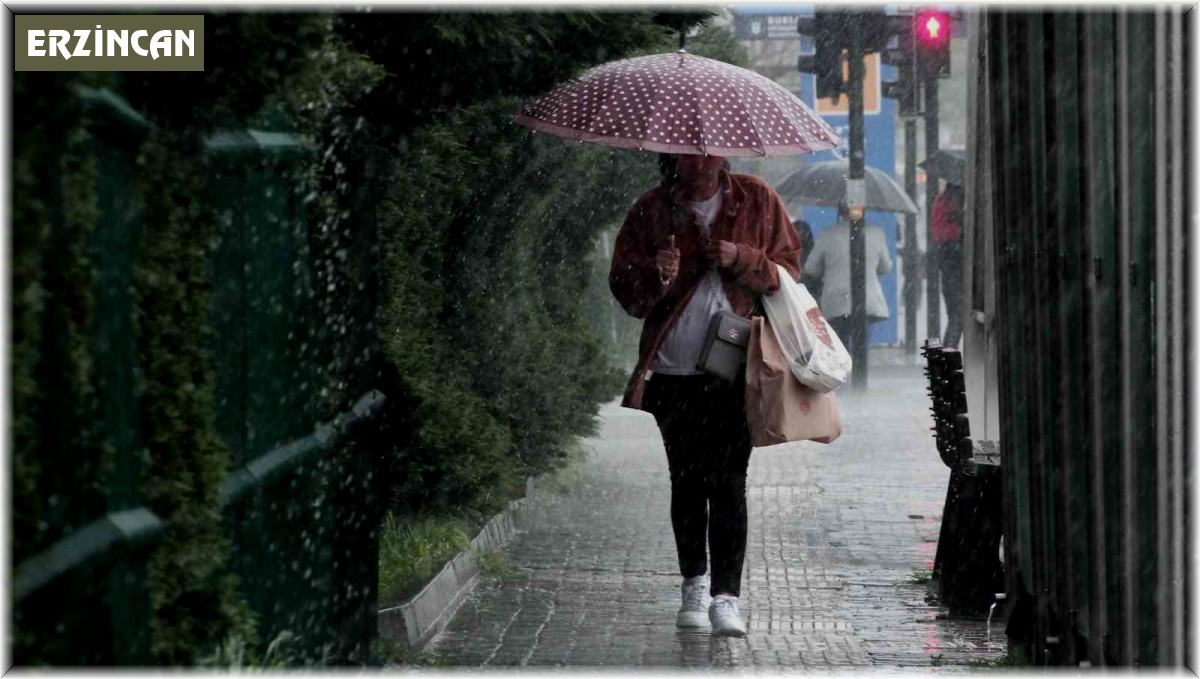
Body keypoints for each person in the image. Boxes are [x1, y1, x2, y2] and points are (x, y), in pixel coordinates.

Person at [608, 153, 801, 637]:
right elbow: (627, 294)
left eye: (708, 151)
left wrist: (744, 259)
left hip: (737, 368)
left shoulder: (756, 199)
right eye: (688, 154)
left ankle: (726, 598)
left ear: (724, 153)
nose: (699, 162)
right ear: (672, 157)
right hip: (673, 370)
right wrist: (657, 273)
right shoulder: (652, 209)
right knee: (688, 481)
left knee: (729, 481)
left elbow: (790, 276)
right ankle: (693, 585)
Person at [803, 201, 893, 346]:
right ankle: (860, 367)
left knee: (840, 346)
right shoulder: (876, 233)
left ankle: (846, 365)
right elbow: (886, 267)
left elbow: (811, 268)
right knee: (861, 344)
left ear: (840, 211)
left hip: (836, 300)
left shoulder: (828, 234)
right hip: (867, 299)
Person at [931, 181, 965, 348]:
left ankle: (946, 362)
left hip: (948, 270)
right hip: (953, 270)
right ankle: (947, 361)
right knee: (958, 318)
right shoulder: (951, 207)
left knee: (955, 317)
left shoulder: (941, 201)